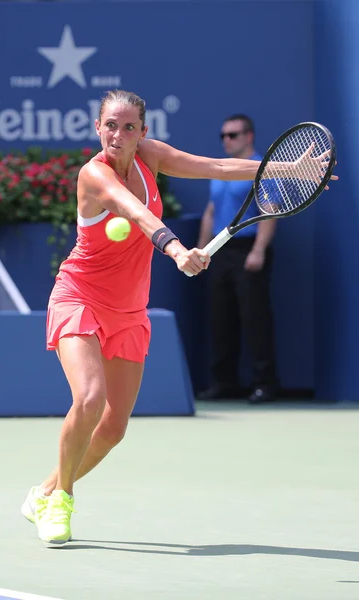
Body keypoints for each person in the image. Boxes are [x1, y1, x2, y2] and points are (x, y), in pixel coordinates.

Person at [20, 92, 335, 547]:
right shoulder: (94, 175)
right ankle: (61, 499)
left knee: (113, 427)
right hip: (80, 296)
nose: (119, 135)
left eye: (129, 127)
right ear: (97, 127)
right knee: (89, 398)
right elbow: (139, 215)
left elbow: (219, 167)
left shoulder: (150, 156)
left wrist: (289, 170)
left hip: (129, 308)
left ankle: (45, 490)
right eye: (111, 125)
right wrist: (175, 250)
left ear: (143, 132)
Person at [197, 114, 278, 404]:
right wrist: (200, 251)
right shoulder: (222, 171)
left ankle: (264, 384)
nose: (226, 141)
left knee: (254, 318)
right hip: (220, 252)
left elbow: (268, 210)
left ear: (248, 136)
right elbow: (210, 212)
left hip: (249, 250)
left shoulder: (260, 168)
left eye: (232, 135)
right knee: (221, 320)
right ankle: (224, 383)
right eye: (223, 136)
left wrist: (258, 250)